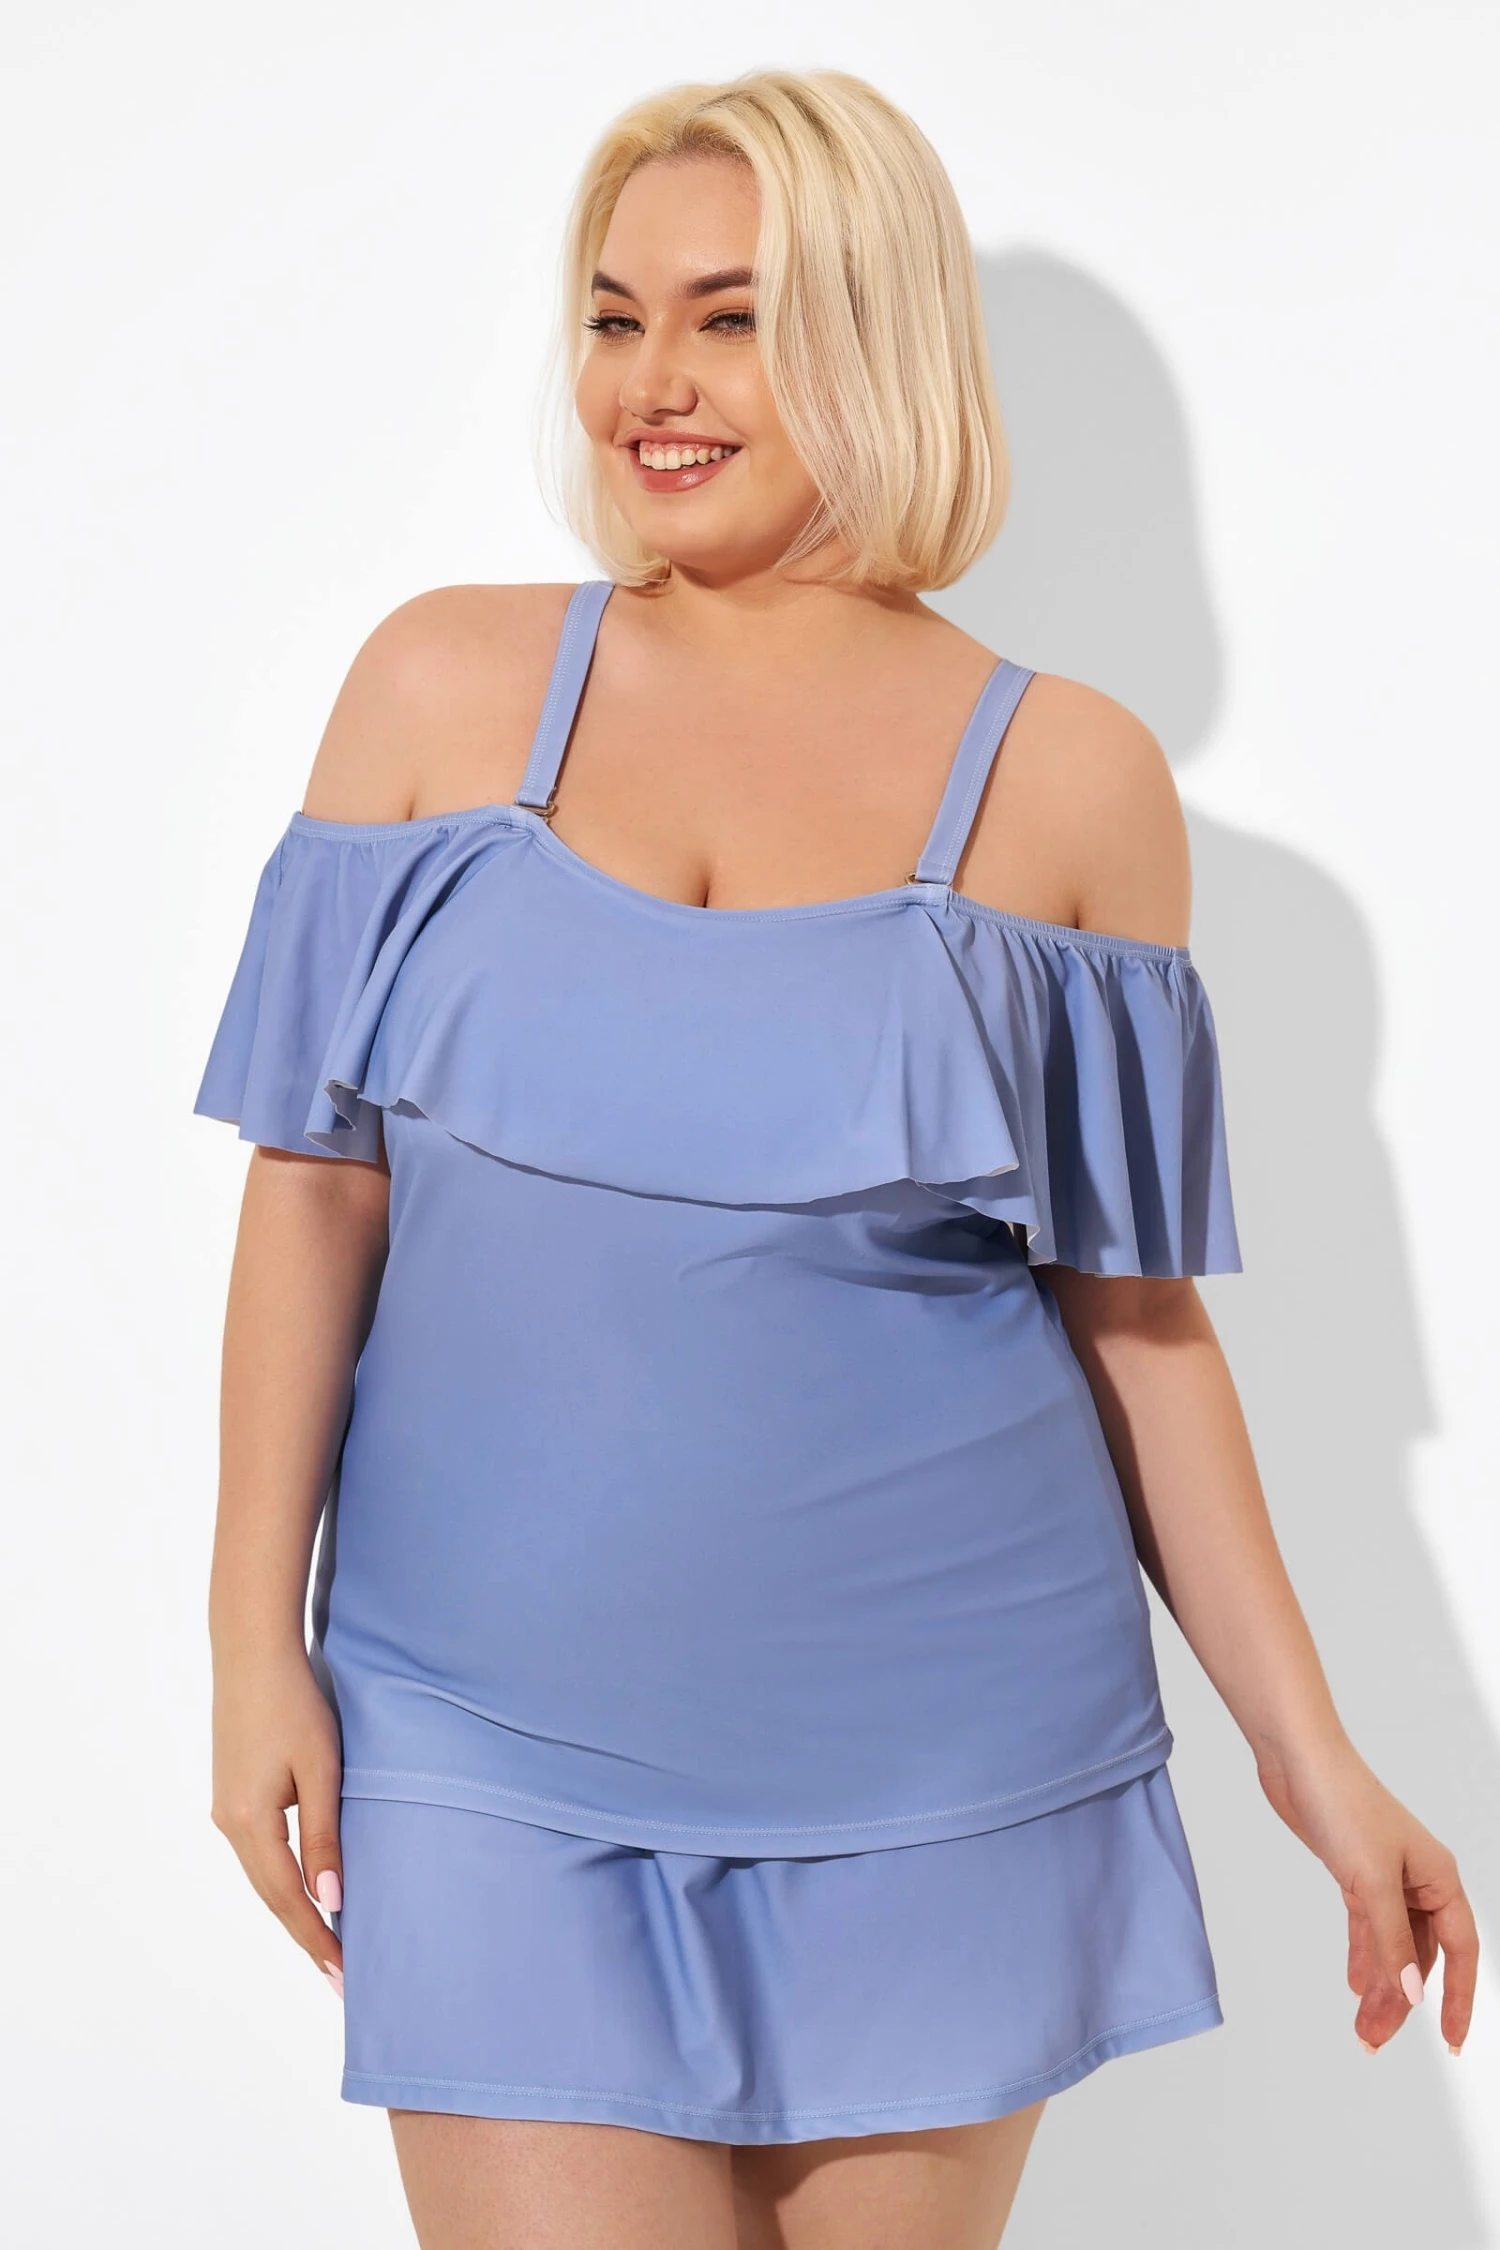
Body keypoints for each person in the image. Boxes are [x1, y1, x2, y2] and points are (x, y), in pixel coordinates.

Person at [193, 66, 1477, 2250]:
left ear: (876, 346)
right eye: (616, 320)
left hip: (947, 1767)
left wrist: (1311, 1756)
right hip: (482, 1737)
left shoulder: (1067, 780)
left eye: (733, 319)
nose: (654, 384)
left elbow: (1138, 1329)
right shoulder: (438, 692)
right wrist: (250, 1640)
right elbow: (314, 1190)